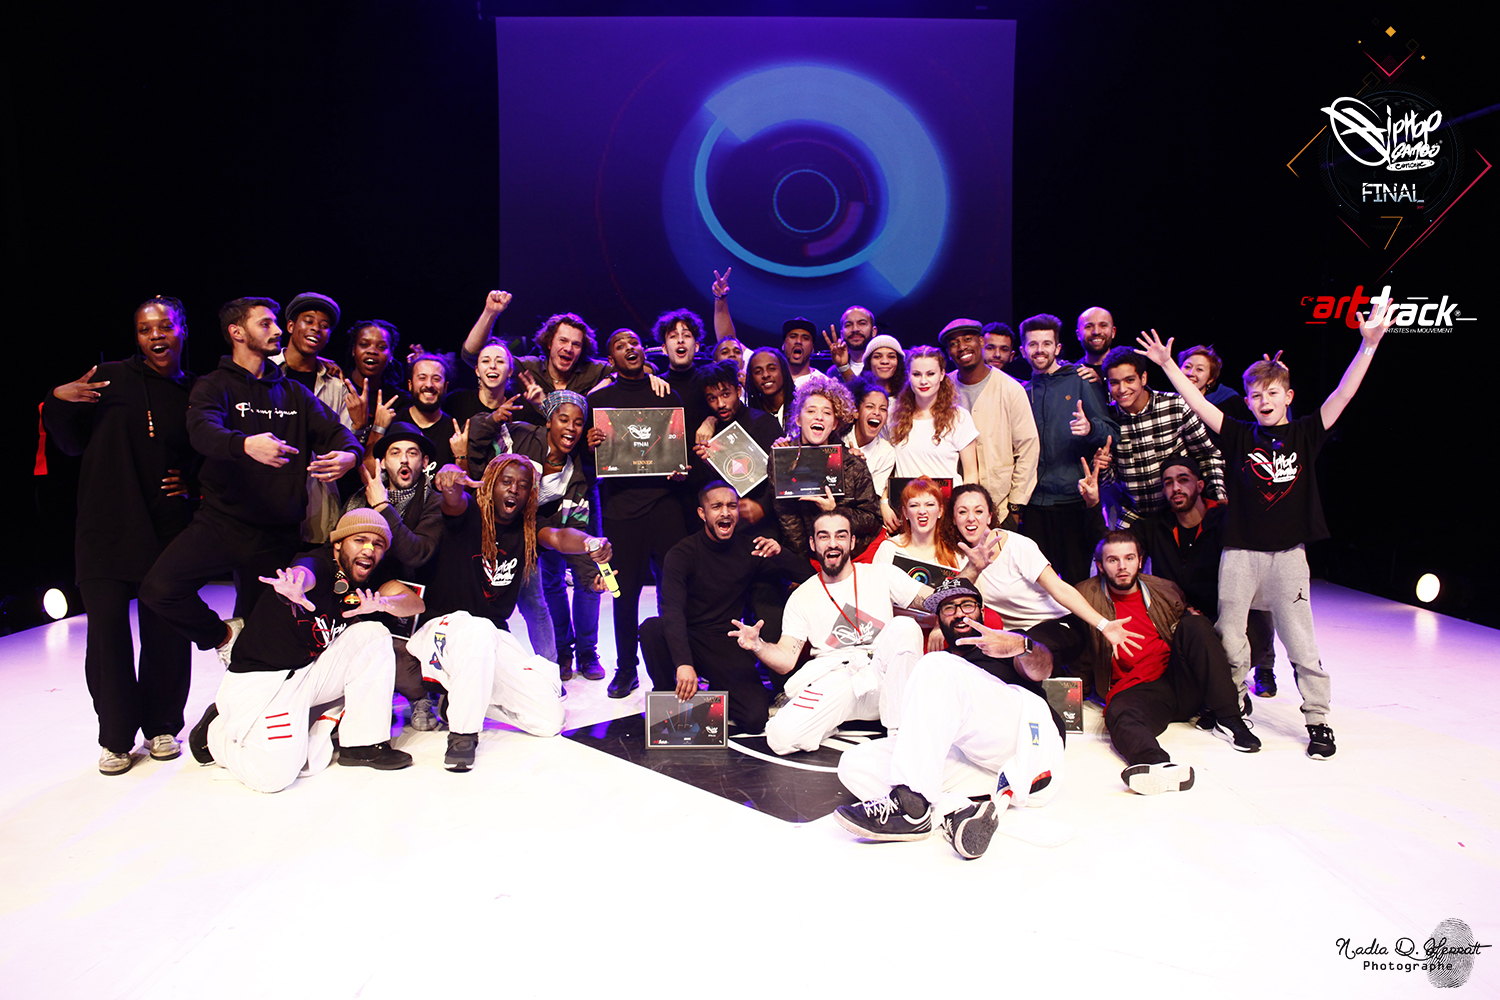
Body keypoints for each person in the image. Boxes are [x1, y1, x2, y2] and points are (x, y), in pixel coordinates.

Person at [1134, 305, 1392, 760]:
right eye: (1255, 394)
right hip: (1240, 554)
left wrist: (1368, 344)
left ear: (1288, 396)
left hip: (1288, 556)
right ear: (1249, 401)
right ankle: (1232, 707)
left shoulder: (1306, 433)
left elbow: (1343, 393)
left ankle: (1318, 719)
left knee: (1301, 642)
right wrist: (1169, 365)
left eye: (1272, 392)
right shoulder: (1238, 435)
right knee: (1231, 638)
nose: (1263, 400)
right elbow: (1199, 404)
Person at [140, 297, 360, 663]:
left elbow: (337, 433)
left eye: (275, 323)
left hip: (278, 535)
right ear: (237, 333)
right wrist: (244, 444)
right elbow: (202, 431)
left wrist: (349, 455)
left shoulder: (294, 392)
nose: (277, 330)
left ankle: (253, 687)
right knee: (160, 588)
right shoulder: (213, 386)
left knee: (266, 640)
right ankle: (224, 635)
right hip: (223, 523)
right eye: (266, 324)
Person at [44, 296, 199, 774]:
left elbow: (208, 451)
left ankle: (162, 726)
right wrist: (58, 400)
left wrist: (191, 483)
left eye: (164, 326)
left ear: (182, 329)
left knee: (166, 631)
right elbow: (70, 443)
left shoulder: (195, 391)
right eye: (145, 329)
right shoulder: (109, 379)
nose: (155, 336)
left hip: (165, 527)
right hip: (104, 528)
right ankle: (115, 738)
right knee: (107, 636)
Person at [187, 510, 424, 792]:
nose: (369, 549)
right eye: (359, 540)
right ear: (338, 543)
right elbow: (305, 572)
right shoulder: (319, 563)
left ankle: (362, 745)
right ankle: (216, 733)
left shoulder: (369, 577)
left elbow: (414, 603)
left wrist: (384, 603)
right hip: (261, 683)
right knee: (274, 777)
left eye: (378, 544)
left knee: (373, 634)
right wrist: (295, 584)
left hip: (307, 673)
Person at [834, 576, 1069, 858]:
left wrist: (1022, 646)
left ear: (981, 611)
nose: (959, 613)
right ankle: (954, 810)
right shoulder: (940, 668)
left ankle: (912, 806)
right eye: (948, 608)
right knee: (854, 763)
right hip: (982, 764)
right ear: (939, 619)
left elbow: (1042, 669)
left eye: (967, 605)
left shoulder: (1004, 643)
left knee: (935, 664)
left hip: (1029, 741)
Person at [411, 455, 612, 769]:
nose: (514, 489)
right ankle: (462, 735)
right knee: (476, 627)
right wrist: (449, 479)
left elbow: (559, 537)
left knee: (549, 718)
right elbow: (453, 501)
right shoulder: (470, 513)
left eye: (523, 485)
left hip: (491, 636)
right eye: (506, 482)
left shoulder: (528, 528)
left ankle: (461, 697)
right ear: (491, 485)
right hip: (443, 630)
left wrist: (589, 542)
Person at [729, 509, 938, 755]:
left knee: (906, 626)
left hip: (884, 675)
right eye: (824, 536)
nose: (832, 543)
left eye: (840, 536)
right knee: (780, 738)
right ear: (813, 543)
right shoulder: (802, 596)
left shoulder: (880, 574)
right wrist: (758, 646)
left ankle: (900, 734)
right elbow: (785, 661)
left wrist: (969, 575)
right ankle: (831, 721)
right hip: (838, 678)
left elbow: (935, 600)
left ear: (851, 541)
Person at [1076, 531, 1258, 795]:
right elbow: (1074, 643)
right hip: (1137, 690)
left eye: (1129, 558)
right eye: (1113, 560)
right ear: (1101, 565)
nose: (1122, 566)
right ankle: (1156, 764)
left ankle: (1229, 717)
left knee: (1195, 625)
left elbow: (1191, 636)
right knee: (1119, 713)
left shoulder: (1164, 589)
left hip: (1176, 677)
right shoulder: (1084, 595)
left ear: (1140, 561)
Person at [640, 481, 812, 733]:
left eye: (732, 506)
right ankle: (668, 697)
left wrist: (780, 553)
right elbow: (672, 611)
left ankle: (712, 693)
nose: (725, 512)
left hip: (725, 640)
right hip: (688, 636)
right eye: (717, 506)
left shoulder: (749, 548)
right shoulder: (682, 554)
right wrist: (683, 663)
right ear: (702, 513)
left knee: (754, 719)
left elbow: (809, 577)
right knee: (652, 629)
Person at [587, 328, 693, 698]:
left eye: (633, 342)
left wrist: (680, 468)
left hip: (665, 504)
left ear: (643, 350)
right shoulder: (598, 400)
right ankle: (626, 669)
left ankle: (679, 664)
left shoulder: (665, 393)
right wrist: (589, 444)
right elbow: (588, 457)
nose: (629, 348)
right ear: (610, 359)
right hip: (621, 509)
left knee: (675, 589)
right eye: (620, 345)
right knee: (623, 592)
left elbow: (678, 445)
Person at [947, 483, 1140, 685]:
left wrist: (1103, 625)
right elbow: (951, 599)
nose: (971, 518)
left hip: (1056, 624)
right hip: (1011, 635)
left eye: (978, 511)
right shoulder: (956, 556)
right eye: (962, 512)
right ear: (953, 518)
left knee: (1024, 649)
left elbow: (1059, 588)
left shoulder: (1017, 545)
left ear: (989, 517)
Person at [508, 391, 604, 682]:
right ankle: (563, 651)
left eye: (578, 422)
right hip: (531, 520)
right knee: (550, 583)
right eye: (564, 419)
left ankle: (587, 652)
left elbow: (577, 525)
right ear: (549, 420)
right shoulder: (524, 438)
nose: (571, 427)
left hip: (571, 511)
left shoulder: (578, 466)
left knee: (589, 578)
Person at [1018, 315, 1116, 583]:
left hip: (1074, 501)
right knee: (1035, 585)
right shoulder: (1022, 391)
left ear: (1058, 348)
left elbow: (1112, 432)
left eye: (1046, 343)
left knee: (1077, 583)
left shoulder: (1081, 380)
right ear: (1023, 350)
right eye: (1033, 344)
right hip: (1035, 505)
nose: (1040, 350)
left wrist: (1091, 428)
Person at [1099, 345, 1225, 525]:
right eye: (1114, 383)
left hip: (1178, 515)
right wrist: (1102, 466)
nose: (1122, 389)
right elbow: (1107, 481)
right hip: (1132, 517)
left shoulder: (1176, 405)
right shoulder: (1106, 418)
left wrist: (1218, 496)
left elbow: (1207, 455)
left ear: (1143, 378)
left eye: (1129, 380)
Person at [940, 318, 1038, 532]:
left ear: (981, 342)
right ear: (948, 353)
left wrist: (1016, 505)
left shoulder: (1010, 389)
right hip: (949, 509)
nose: (962, 347)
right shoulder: (942, 388)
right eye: (954, 343)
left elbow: (1027, 449)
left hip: (999, 508)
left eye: (968, 339)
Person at [770, 374, 882, 559]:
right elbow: (788, 519)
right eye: (811, 411)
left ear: (835, 424)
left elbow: (873, 520)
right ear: (798, 419)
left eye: (827, 413)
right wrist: (806, 567)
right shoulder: (782, 460)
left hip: (853, 554)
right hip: (807, 557)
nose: (819, 417)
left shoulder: (853, 463)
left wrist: (835, 512)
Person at [271, 291, 349, 544]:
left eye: (324, 326)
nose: (316, 328)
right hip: (266, 495)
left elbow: (343, 441)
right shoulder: (263, 370)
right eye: (309, 321)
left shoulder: (336, 385)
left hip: (315, 499)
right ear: (290, 326)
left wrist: (360, 427)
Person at [693, 359, 783, 525]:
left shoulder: (764, 423)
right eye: (712, 398)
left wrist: (763, 507)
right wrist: (707, 465)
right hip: (723, 521)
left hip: (764, 521)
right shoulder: (707, 432)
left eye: (726, 395)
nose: (720, 404)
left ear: (738, 390)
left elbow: (783, 474)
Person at [888, 345, 978, 484]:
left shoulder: (960, 417)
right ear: (909, 375)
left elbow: (971, 473)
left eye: (930, 374)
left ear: (942, 374)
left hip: (948, 497)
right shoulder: (893, 416)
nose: (923, 381)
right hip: (905, 497)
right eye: (917, 374)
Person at [512, 312, 613, 426]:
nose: (569, 349)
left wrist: (609, 379)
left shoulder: (594, 371)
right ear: (549, 343)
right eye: (563, 340)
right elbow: (497, 358)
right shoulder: (528, 367)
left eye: (576, 344)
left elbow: (625, 369)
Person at [844, 376, 896, 524]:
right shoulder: (839, 438)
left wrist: (859, 467)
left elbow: (872, 499)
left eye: (883, 409)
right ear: (856, 412)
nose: (877, 413)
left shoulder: (886, 452)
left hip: (859, 516)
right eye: (870, 407)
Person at [823, 305, 878, 382]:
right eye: (848, 325)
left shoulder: (882, 366)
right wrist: (842, 367)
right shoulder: (833, 373)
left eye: (862, 323)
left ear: (874, 331)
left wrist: (844, 368)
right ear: (842, 334)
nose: (855, 329)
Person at [746, 347, 793, 429]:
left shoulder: (802, 408)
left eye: (772, 369)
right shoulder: (749, 418)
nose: (765, 375)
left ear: (783, 371)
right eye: (758, 371)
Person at [1075, 306, 1117, 381]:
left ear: (1113, 332)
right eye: (1089, 326)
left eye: (1103, 325)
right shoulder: (1073, 373)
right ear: (1078, 335)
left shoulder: (1127, 368)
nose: (1096, 332)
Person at [858, 334, 906, 398]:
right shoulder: (857, 396)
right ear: (869, 362)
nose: (884, 361)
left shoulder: (910, 394)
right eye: (877, 357)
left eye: (891, 356)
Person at [781, 317, 818, 387]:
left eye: (805, 338)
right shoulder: (771, 380)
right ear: (783, 345)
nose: (798, 341)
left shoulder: (824, 384)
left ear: (812, 348)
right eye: (793, 336)